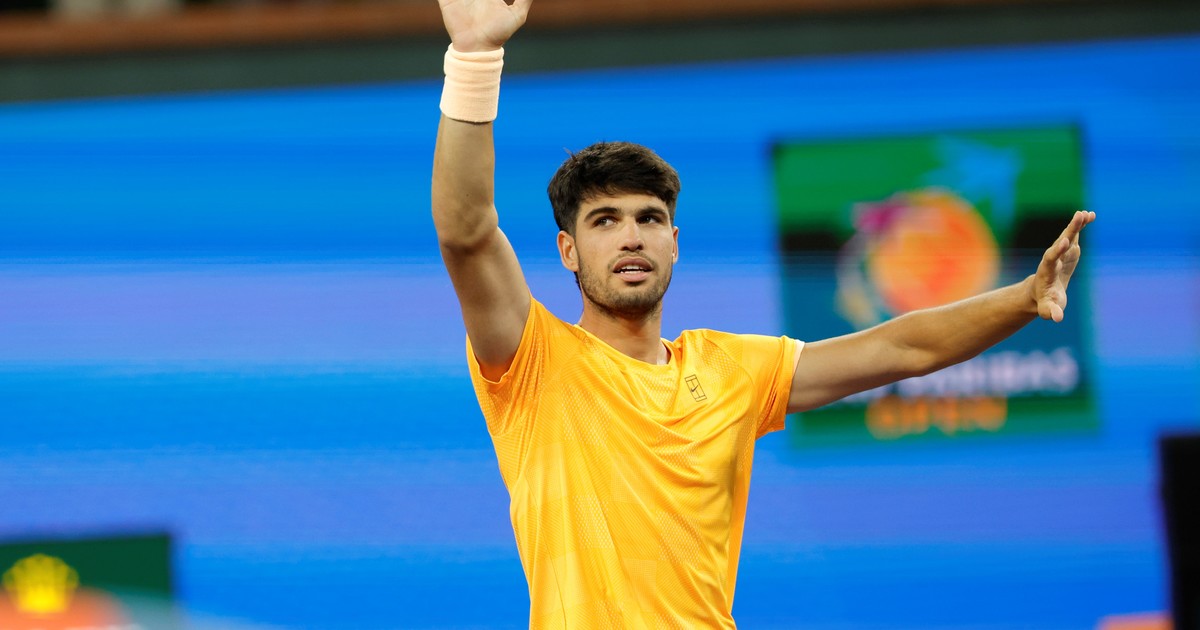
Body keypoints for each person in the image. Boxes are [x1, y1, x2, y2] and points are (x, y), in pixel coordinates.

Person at [431, 0, 1096, 627]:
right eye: (605, 221)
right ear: (568, 251)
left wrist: (1023, 297)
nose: (631, 237)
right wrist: (473, 58)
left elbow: (903, 349)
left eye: (649, 219)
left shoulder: (732, 370)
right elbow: (467, 231)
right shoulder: (532, 361)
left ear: (674, 243)